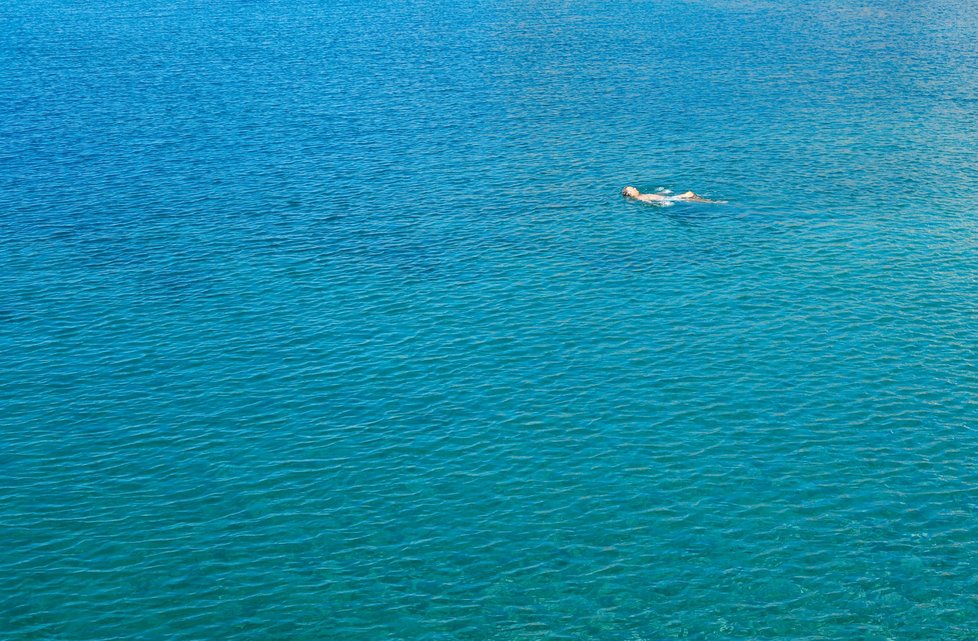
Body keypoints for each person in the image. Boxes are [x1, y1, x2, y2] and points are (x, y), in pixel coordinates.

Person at [622, 186, 718, 203]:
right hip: (670, 199)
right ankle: (712, 202)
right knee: (689, 195)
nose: (635, 188)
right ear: (630, 194)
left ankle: (710, 202)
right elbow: (651, 202)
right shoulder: (641, 198)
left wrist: (663, 192)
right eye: (632, 189)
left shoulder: (642, 195)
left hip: (668, 198)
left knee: (690, 196)